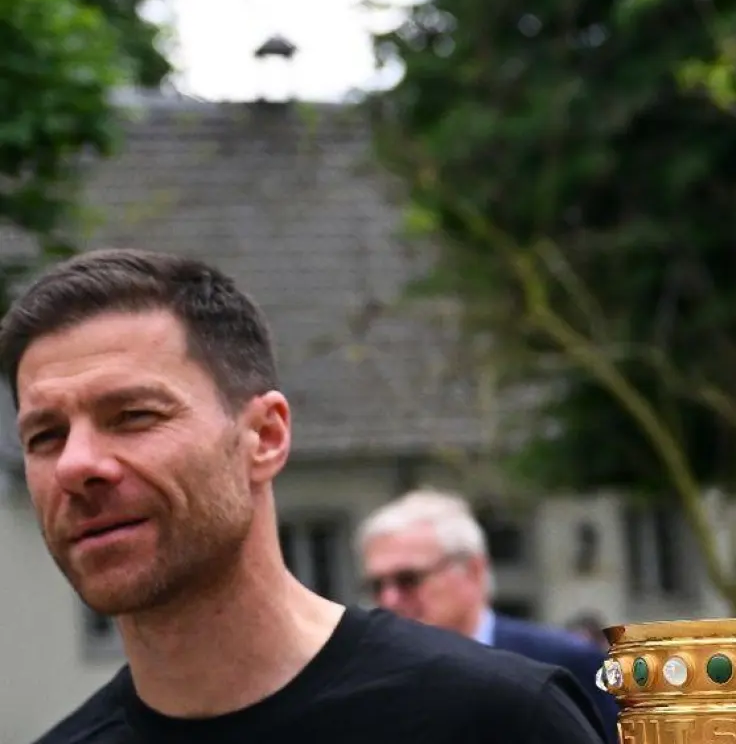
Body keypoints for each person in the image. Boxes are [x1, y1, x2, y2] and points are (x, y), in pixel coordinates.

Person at [2, 248, 604, 744]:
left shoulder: (497, 721)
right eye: (46, 436)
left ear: (264, 437)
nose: (77, 465)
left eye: (132, 415)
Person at [356, 489, 620, 743]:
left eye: (408, 580)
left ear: (472, 571)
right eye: (377, 586)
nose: (389, 600)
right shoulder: (369, 685)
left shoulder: (563, 663)